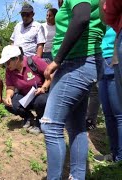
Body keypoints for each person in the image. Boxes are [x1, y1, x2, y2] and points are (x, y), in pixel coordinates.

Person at [41, 0, 105, 179]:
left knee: (51, 126)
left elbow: (82, 17)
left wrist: (57, 60)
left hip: (77, 63)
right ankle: (77, 176)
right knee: (76, 127)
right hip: (82, 61)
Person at [0, 45, 51, 135]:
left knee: (41, 101)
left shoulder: (34, 61)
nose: (6, 66)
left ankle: (40, 122)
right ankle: (28, 117)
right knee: (10, 105)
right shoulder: (9, 71)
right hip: (25, 97)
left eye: (7, 62)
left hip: (40, 94)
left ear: (17, 59)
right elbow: (10, 87)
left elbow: (51, 75)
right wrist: (8, 96)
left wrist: (43, 88)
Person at [94, 26, 122, 163]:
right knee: (108, 114)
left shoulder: (118, 20)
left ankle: (120, 158)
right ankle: (114, 153)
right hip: (101, 65)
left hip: (115, 62)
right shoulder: (101, 22)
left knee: (119, 114)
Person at [101, 0, 122, 108]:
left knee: (118, 112)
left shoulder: (116, 22)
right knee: (107, 110)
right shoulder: (101, 23)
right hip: (101, 61)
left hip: (113, 60)